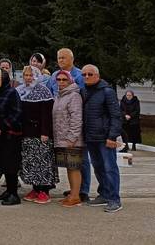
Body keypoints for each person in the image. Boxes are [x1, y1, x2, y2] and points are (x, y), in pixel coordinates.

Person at [47, 48, 90, 202]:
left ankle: (82, 191)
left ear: (72, 59)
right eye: (59, 58)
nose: (61, 60)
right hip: (61, 128)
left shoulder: (79, 75)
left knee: (80, 162)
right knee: (71, 164)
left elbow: (80, 104)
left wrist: (73, 134)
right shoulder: (53, 76)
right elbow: (50, 94)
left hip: (75, 126)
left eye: (64, 57)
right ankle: (74, 191)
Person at [81, 64, 123, 213]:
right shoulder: (84, 91)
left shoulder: (107, 92)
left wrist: (112, 136)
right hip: (91, 137)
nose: (86, 77)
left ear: (97, 76)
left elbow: (116, 116)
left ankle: (114, 199)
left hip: (104, 138)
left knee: (109, 167)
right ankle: (104, 193)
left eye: (90, 74)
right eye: (84, 74)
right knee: (98, 167)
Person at [17, 66, 58, 204]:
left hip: (40, 133)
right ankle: (35, 188)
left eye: (31, 75)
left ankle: (44, 191)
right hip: (27, 133)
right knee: (31, 162)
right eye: (26, 75)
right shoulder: (21, 90)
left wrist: (45, 132)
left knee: (43, 162)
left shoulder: (43, 91)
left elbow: (46, 115)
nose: (28, 78)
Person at [0, 68, 22, 205]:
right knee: (4, 164)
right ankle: (9, 191)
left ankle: (14, 194)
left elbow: (16, 113)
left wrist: (2, 127)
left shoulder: (12, 92)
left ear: (4, 79)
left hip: (10, 135)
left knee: (11, 164)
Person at [52, 70, 85, 207]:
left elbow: (76, 119)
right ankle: (72, 193)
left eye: (64, 79)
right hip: (61, 138)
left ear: (70, 81)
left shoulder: (74, 96)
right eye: (58, 79)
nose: (61, 82)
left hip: (72, 140)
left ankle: (76, 196)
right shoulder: (59, 96)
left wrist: (72, 138)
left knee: (74, 168)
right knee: (69, 167)